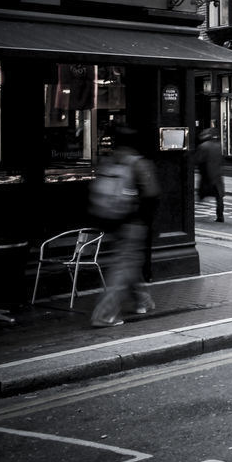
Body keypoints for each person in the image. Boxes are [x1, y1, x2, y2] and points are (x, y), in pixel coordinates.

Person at [89, 126, 158, 327]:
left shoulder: (109, 162)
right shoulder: (138, 164)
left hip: (112, 221)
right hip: (133, 223)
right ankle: (103, 315)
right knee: (123, 267)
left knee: (128, 261)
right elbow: (152, 195)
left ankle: (142, 299)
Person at [195, 127, 224, 223]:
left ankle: (193, 212)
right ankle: (220, 216)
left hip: (207, 175)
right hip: (218, 174)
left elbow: (198, 160)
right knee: (219, 197)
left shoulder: (203, 146)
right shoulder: (218, 145)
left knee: (201, 193)